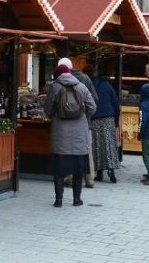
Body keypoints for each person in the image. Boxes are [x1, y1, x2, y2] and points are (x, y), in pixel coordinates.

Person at [45, 64, 96, 208]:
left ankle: (59, 200)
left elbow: (48, 110)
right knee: (79, 169)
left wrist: (56, 114)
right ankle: (77, 199)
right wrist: (82, 116)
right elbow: (93, 107)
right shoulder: (81, 86)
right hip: (79, 132)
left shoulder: (55, 87)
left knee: (59, 170)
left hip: (60, 132)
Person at [58, 57, 98, 188]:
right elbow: (94, 101)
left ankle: (69, 178)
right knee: (86, 150)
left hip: (65, 123)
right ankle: (89, 178)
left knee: (68, 149)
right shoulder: (85, 78)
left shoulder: (59, 81)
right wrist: (86, 116)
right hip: (84, 122)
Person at [87, 66, 120, 183]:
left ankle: (99, 172)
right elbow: (115, 103)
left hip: (95, 119)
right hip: (108, 119)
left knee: (97, 146)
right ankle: (111, 171)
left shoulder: (89, 87)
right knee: (109, 145)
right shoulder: (107, 85)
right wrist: (116, 118)